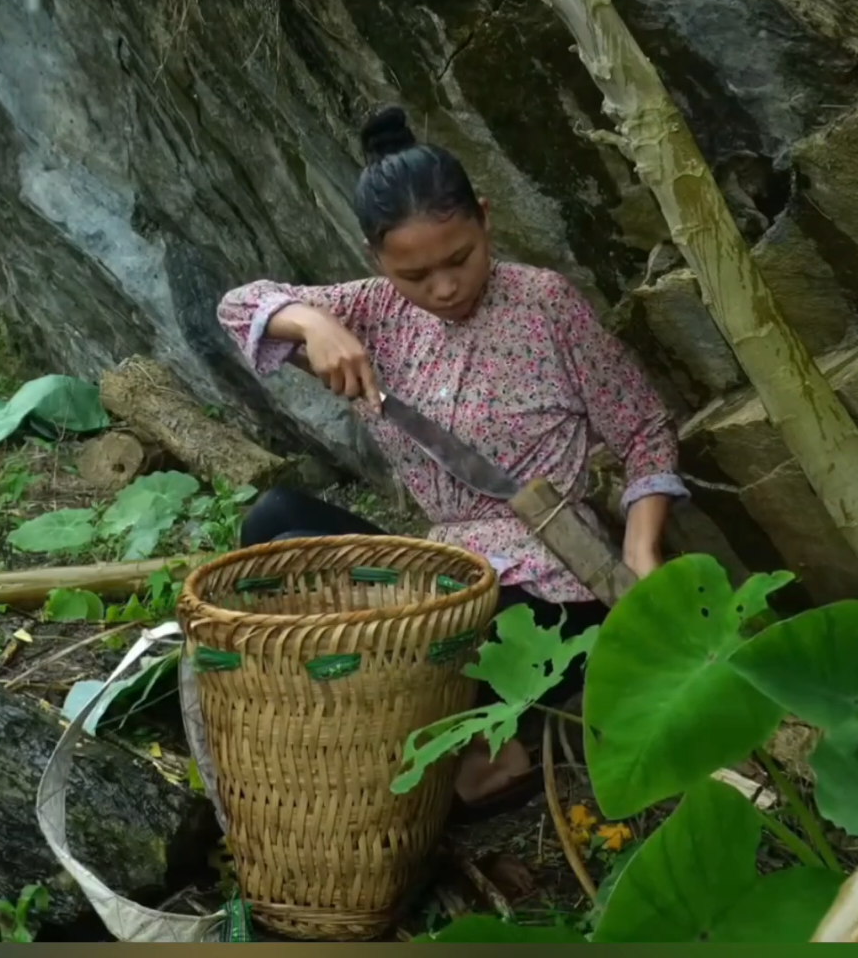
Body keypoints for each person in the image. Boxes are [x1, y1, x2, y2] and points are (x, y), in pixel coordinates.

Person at [217, 104, 689, 819]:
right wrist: (312, 323)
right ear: (377, 260)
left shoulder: (545, 305)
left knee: (455, 637)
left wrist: (640, 547)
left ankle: (465, 742)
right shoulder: (370, 311)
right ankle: (445, 735)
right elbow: (237, 306)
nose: (443, 287)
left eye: (459, 258)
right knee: (276, 518)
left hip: (549, 585)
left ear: (486, 219)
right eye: (414, 272)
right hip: (438, 574)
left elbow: (644, 428)